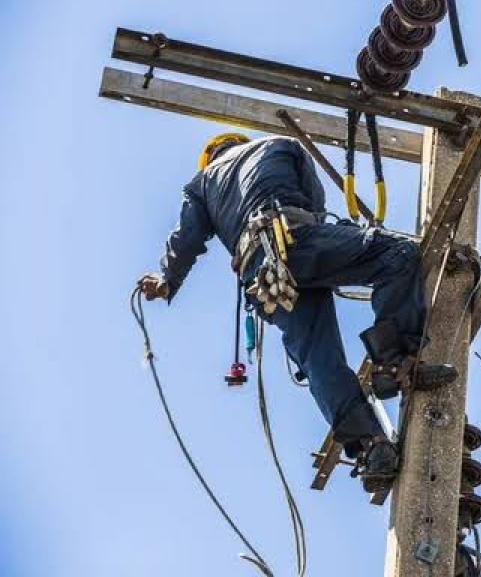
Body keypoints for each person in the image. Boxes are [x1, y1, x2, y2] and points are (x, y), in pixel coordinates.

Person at [138, 132, 457, 491]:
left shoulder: (202, 183)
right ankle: (395, 364)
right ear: (238, 142)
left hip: (261, 273)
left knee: (318, 358)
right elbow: (315, 203)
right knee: (398, 255)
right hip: (295, 239)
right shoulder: (278, 143)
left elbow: (186, 238)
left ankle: (372, 447)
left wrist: (166, 278)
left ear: (210, 157)